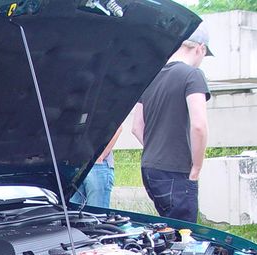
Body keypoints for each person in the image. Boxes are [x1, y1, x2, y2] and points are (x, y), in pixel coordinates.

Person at [132, 23, 213, 223]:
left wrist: (158, 149)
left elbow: (137, 127)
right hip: (176, 171)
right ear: (200, 49)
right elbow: (199, 126)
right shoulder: (192, 75)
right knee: (183, 233)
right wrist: (196, 168)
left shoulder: (151, 76)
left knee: (168, 227)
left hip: (150, 169)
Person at [70, 125, 122, 209]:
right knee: (72, 213)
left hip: (98, 166)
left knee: (96, 213)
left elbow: (118, 127)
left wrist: (101, 156)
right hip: (76, 165)